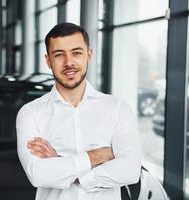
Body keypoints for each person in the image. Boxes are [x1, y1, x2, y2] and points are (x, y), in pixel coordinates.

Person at [16, 22, 141, 200]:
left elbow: (130, 170)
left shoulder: (118, 108)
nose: (69, 63)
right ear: (48, 60)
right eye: (59, 55)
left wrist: (61, 164)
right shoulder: (30, 113)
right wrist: (95, 156)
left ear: (89, 55)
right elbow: (38, 174)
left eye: (76, 53)